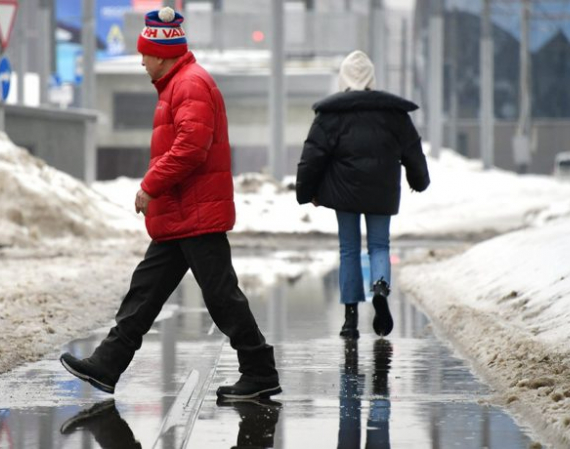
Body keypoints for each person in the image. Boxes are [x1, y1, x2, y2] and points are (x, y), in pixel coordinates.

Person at [60, 7, 280, 400]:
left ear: (162, 53)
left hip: (194, 212)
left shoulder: (190, 84)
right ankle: (108, 364)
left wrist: (150, 186)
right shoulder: (179, 84)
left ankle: (259, 369)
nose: (142, 61)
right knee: (144, 292)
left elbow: (191, 149)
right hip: (181, 215)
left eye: (145, 54)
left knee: (221, 296)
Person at [296, 50, 430, 339]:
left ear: (344, 77)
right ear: (371, 78)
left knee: (349, 249)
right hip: (382, 190)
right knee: (380, 246)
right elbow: (413, 150)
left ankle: (350, 318)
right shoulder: (394, 114)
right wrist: (418, 180)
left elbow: (313, 156)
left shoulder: (331, 115)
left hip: (344, 191)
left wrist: (307, 192)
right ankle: (380, 287)